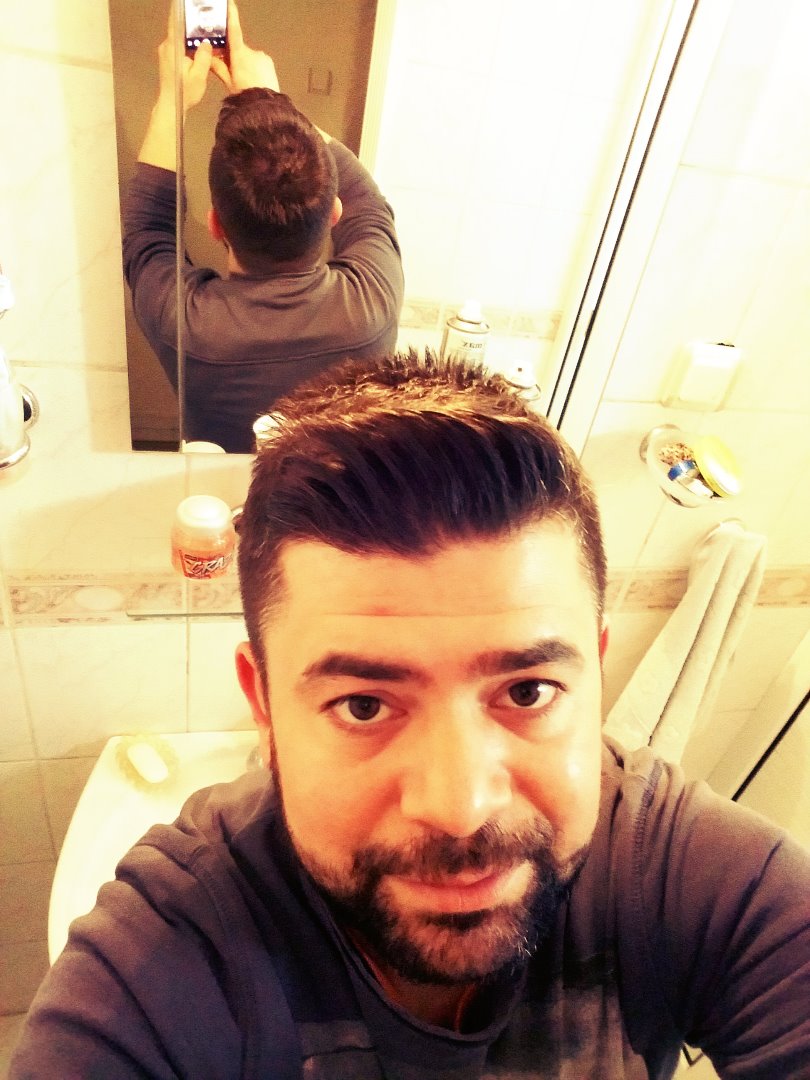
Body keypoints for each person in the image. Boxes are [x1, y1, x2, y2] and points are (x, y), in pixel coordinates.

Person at [10, 351, 810, 1078]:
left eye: (527, 692)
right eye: (363, 705)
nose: (459, 808)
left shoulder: (689, 880)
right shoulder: (167, 956)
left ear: (594, 673)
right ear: (264, 705)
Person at [123, 0, 404, 453]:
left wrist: (174, 99)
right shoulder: (374, 304)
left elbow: (147, 229)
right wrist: (266, 98)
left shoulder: (187, 325)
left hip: (228, 494)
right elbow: (368, 201)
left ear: (215, 225)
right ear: (333, 214)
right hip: (334, 492)